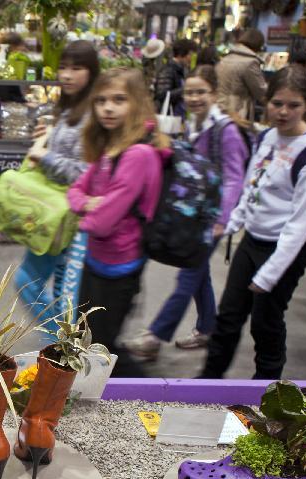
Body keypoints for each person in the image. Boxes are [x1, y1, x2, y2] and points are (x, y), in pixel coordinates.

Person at [199, 66, 306, 380]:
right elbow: (252, 187)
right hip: (252, 242)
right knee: (228, 318)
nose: (283, 111)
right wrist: (231, 223)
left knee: (266, 323)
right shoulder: (267, 136)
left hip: (285, 250)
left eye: (293, 105)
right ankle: (206, 384)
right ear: (266, 101)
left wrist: (268, 275)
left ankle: (265, 393)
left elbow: (301, 226)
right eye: (277, 103)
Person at [126, 65, 249, 361]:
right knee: (199, 272)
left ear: (215, 94)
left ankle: (156, 336)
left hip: (213, 217)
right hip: (197, 212)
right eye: (190, 92)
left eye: (201, 92)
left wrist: (222, 220)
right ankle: (208, 327)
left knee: (188, 274)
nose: (194, 98)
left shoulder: (226, 131)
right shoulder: (196, 124)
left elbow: (235, 177)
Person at [67, 68, 167, 378]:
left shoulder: (137, 154)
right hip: (98, 261)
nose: (108, 108)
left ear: (137, 103)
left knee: (102, 349)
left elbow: (100, 224)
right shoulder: (112, 148)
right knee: (91, 343)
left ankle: (152, 395)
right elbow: (74, 191)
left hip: (118, 267)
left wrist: (89, 210)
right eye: (101, 100)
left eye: (119, 100)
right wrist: (88, 204)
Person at [14, 41, 99, 327]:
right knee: (60, 293)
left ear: (91, 72)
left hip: (68, 215)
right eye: (63, 67)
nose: (67, 75)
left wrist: (45, 155)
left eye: (77, 68)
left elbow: (86, 172)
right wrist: (51, 135)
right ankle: (62, 350)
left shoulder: (92, 114)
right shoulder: (68, 107)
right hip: (55, 213)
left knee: (35, 285)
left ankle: (60, 349)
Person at [216, 28, 267, 123]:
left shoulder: (226, 58)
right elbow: (261, 92)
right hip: (237, 111)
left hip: (219, 106)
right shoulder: (250, 62)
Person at [153, 38, 196, 117]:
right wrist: (184, 90)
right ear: (181, 54)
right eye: (189, 54)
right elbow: (162, 95)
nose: (190, 58)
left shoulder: (179, 70)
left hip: (176, 115)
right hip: (168, 116)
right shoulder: (168, 70)